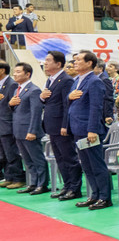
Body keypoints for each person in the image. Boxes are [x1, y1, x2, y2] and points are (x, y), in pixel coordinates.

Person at [66, 51, 111, 209]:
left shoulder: (94, 81)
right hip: (77, 128)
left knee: (96, 164)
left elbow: (96, 107)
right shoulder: (77, 80)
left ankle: (105, 197)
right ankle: (95, 195)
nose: (75, 62)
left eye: (79, 60)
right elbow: (71, 100)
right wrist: (69, 97)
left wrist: (92, 129)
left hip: (89, 130)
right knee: (86, 164)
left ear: (89, 63)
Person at [38, 51, 82, 199]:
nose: (45, 63)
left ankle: (75, 188)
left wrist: (65, 125)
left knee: (69, 157)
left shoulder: (65, 80)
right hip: (51, 124)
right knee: (60, 158)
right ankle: (67, 185)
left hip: (61, 125)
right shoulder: (50, 80)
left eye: (48, 60)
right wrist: (42, 98)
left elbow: (66, 105)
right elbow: (49, 101)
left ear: (58, 64)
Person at [9, 62, 48, 193]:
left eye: (18, 71)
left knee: (37, 158)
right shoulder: (17, 89)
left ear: (27, 74)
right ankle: (33, 182)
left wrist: (32, 131)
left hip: (29, 130)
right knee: (27, 159)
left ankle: (42, 184)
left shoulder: (34, 90)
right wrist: (10, 104)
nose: (15, 74)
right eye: (14, 71)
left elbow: (36, 112)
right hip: (18, 130)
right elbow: (17, 109)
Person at [0, 62, 25, 190]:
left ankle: (18, 178)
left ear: (2, 70)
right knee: (3, 154)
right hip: (1, 124)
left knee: (11, 153)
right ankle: (9, 177)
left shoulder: (11, 84)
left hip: (7, 123)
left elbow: (13, 105)